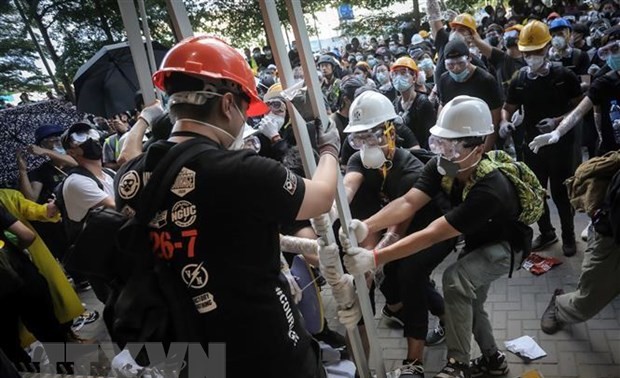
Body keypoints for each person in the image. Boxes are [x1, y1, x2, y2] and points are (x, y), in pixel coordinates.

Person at [116, 36, 341, 378]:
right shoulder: (241, 170)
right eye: (243, 107)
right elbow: (322, 196)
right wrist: (329, 150)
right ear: (226, 104)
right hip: (264, 345)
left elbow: (126, 155)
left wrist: (144, 120)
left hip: (191, 344)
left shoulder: (133, 176)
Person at [340, 96, 519, 378]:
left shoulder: (490, 189)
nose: (445, 153)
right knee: (471, 303)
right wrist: (365, 226)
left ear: (481, 144)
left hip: (505, 245)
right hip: (474, 239)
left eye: (454, 146)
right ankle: (493, 360)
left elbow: (432, 234)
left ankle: (455, 365)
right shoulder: (448, 165)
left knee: (455, 281)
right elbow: (409, 203)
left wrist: (374, 257)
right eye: (441, 144)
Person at [341, 91, 453, 377]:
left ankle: (414, 360)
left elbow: (398, 226)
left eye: (373, 135)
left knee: (408, 273)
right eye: (359, 138)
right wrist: (332, 211)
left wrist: (374, 257)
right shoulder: (361, 162)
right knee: (387, 280)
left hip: (432, 229)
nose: (366, 145)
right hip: (391, 224)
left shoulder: (410, 170)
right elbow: (348, 187)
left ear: (391, 131)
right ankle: (445, 315)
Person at [501, 20, 583, 257]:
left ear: (547, 49)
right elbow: (508, 107)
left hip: (560, 144)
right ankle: (547, 232)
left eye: (536, 52)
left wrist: (557, 122)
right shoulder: (520, 79)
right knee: (535, 191)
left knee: (560, 192)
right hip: (532, 145)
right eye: (527, 53)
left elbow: (580, 109)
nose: (532, 57)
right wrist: (505, 122)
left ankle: (569, 236)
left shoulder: (564, 75)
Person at [436, 39, 503, 151]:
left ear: (469, 58)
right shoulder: (443, 80)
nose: (456, 68)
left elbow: (495, 119)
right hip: (455, 136)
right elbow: (442, 107)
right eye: (451, 65)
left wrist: (485, 149)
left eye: (461, 63)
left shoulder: (486, 80)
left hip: (481, 135)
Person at [391, 57, 437, 150]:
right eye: (395, 74)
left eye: (403, 73)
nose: (398, 77)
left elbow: (429, 138)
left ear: (414, 77)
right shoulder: (395, 104)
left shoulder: (423, 103)